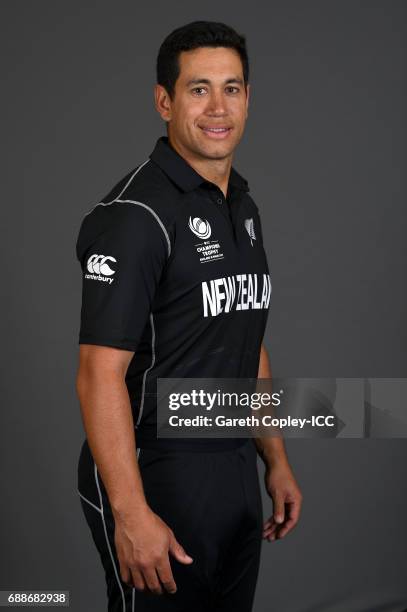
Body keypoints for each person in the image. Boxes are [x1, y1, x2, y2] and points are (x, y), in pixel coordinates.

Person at [75, 20, 302, 612]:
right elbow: (99, 374)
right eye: (199, 88)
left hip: (231, 470)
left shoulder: (241, 206)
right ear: (164, 101)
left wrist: (274, 458)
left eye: (232, 87)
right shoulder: (135, 216)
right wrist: (132, 514)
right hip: (156, 471)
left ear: (249, 98)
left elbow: (245, 338)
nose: (218, 107)